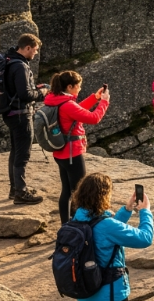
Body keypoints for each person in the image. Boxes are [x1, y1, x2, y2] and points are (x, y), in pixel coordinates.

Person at [71, 173, 153, 301]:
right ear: (104, 197)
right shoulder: (107, 225)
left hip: (85, 292)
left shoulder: (77, 219)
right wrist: (145, 211)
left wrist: (127, 209)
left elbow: (104, 230)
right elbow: (145, 238)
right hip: (110, 293)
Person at [44, 71, 110, 224]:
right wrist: (104, 102)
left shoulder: (55, 99)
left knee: (66, 191)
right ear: (69, 86)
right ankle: (77, 227)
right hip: (72, 154)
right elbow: (94, 118)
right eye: (78, 86)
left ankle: (65, 225)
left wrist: (95, 98)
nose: (80, 89)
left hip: (60, 152)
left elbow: (77, 110)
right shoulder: (67, 104)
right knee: (79, 193)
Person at [4, 33, 48, 204]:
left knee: (15, 151)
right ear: (28, 47)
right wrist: (42, 92)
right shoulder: (20, 66)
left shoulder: (9, 61)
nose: (35, 53)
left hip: (10, 113)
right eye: (35, 50)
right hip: (21, 115)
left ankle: (15, 189)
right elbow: (25, 95)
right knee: (22, 154)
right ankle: (21, 194)